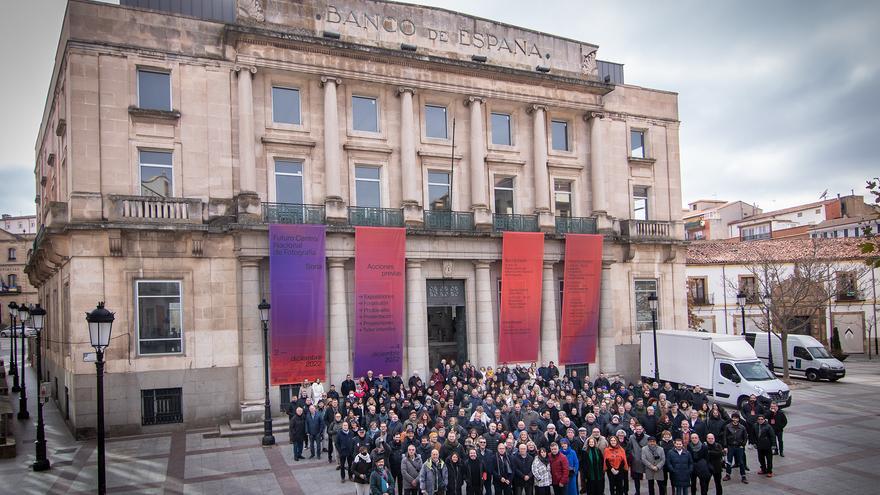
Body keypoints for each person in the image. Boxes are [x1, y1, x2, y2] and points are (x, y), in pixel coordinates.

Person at [722, 414, 748, 484]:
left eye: (736, 418)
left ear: (738, 419)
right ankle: (728, 474)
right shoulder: (727, 426)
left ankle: (743, 476)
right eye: (734, 418)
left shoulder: (742, 427)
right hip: (730, 446)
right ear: (732, 418)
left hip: (739, 447)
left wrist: (743, 444)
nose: (735, 420)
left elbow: (745, 437)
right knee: (729, 461)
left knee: (741, 462)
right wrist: (725, 446)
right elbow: (725, 437)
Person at [628, 424, 649, 495]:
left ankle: (651, 491)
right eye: (637, 429)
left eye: (640, 429)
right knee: (636, 478)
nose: (638, 430)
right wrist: (633, 455)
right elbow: (630, 447)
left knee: (649, 477)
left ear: (642, 429)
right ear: (635, 429)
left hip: (645, 459)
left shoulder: (647, 437)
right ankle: (637, 491)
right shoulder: (631, 437)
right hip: (635, 460)